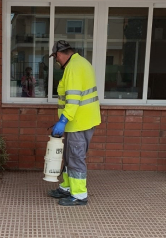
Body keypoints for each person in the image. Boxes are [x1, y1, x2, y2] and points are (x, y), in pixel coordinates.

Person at [48, 40, 101, 206]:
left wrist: (63, 120)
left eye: (55, 57)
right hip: (79, 121)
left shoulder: (74, 67)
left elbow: (73, 99)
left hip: (78, 122)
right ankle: (67, 187)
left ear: (60, 54)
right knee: (69, 156)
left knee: (76, 157)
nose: (56, 60)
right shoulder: (80, 63)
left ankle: (79, 195)